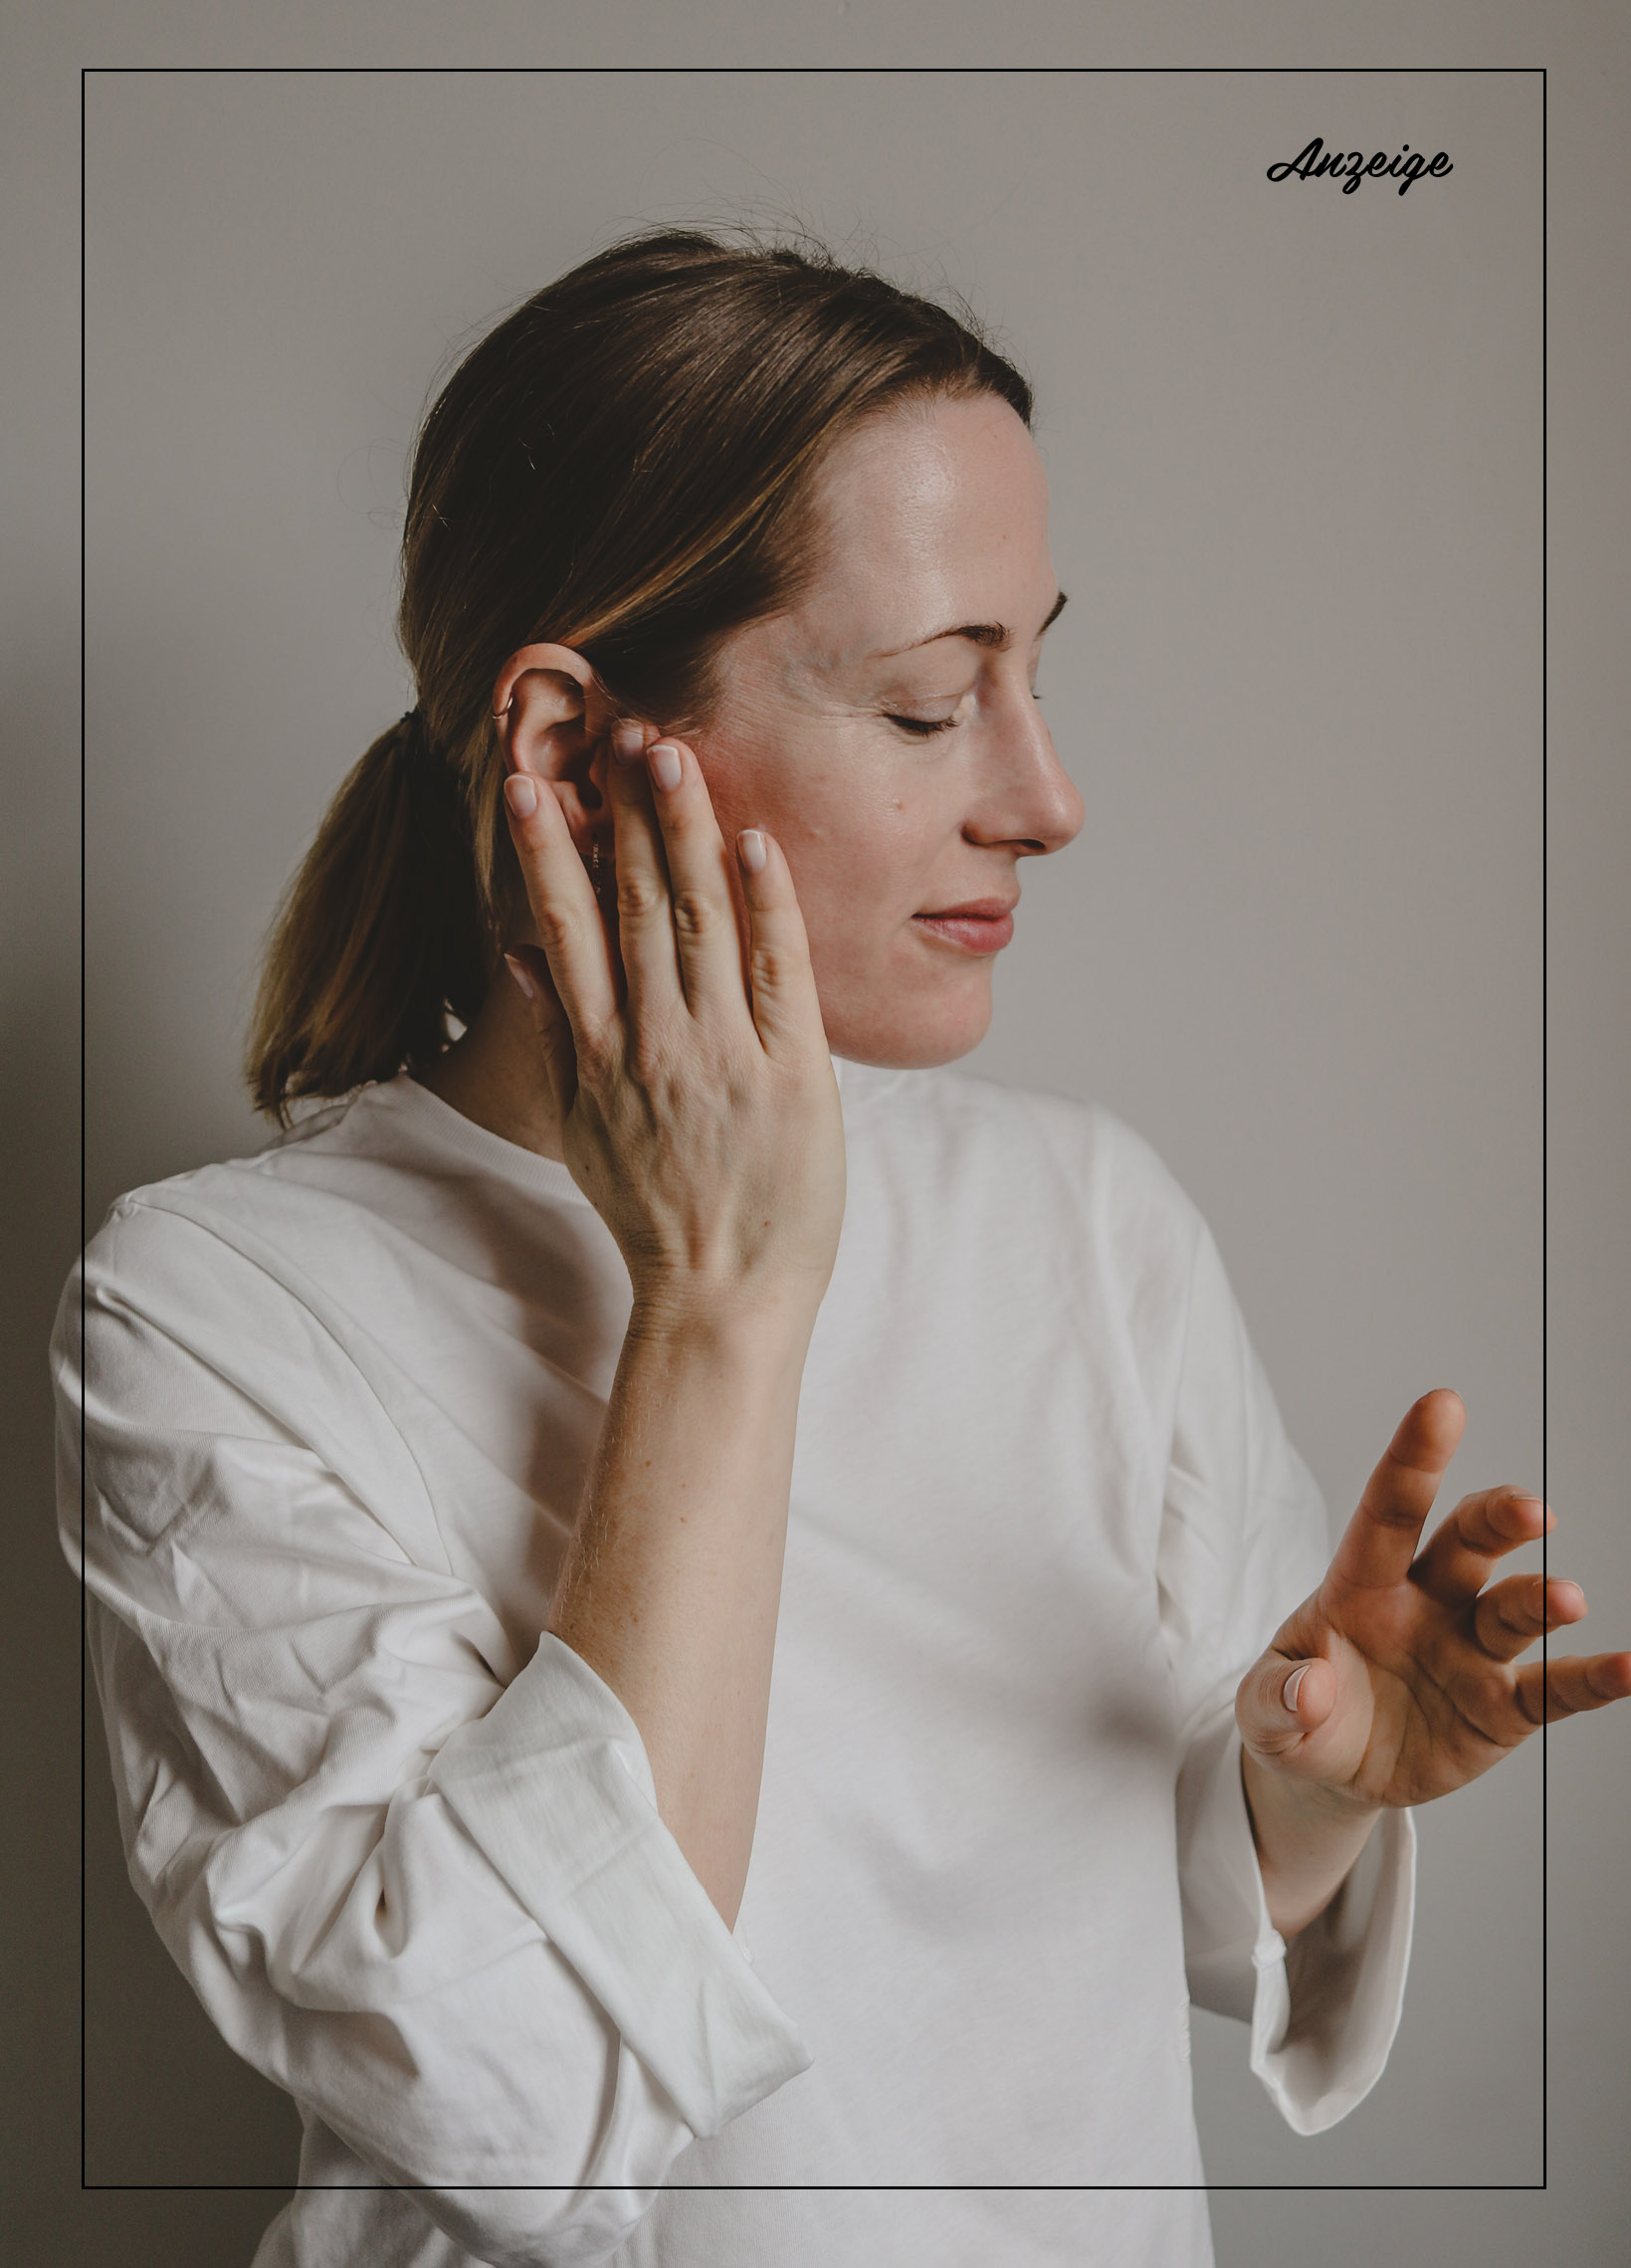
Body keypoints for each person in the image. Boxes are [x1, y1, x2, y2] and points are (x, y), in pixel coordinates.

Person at [55, 226, 1629, 2268]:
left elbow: (1110, 1917)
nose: (1046, 799)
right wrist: (722, 1299)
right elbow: (517, 2101)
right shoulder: (214, 1310)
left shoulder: (1089, 1217)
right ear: (568, 749)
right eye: (925, 706)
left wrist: (1317, 1786)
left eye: (1034, 673)